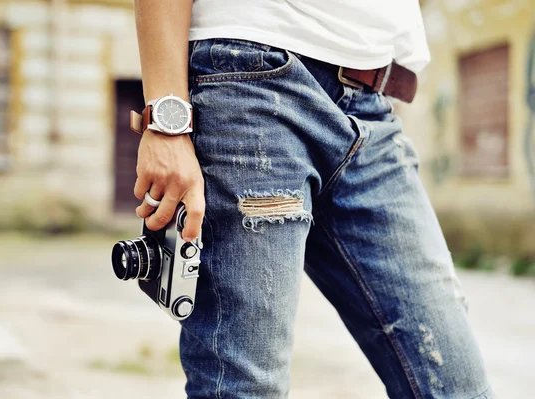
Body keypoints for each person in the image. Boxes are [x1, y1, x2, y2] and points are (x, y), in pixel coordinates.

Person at [131, 0, 494, 397]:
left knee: (457, 386)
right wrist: (167, 122)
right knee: (246, 388)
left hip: (372, 105)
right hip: (252, 81)